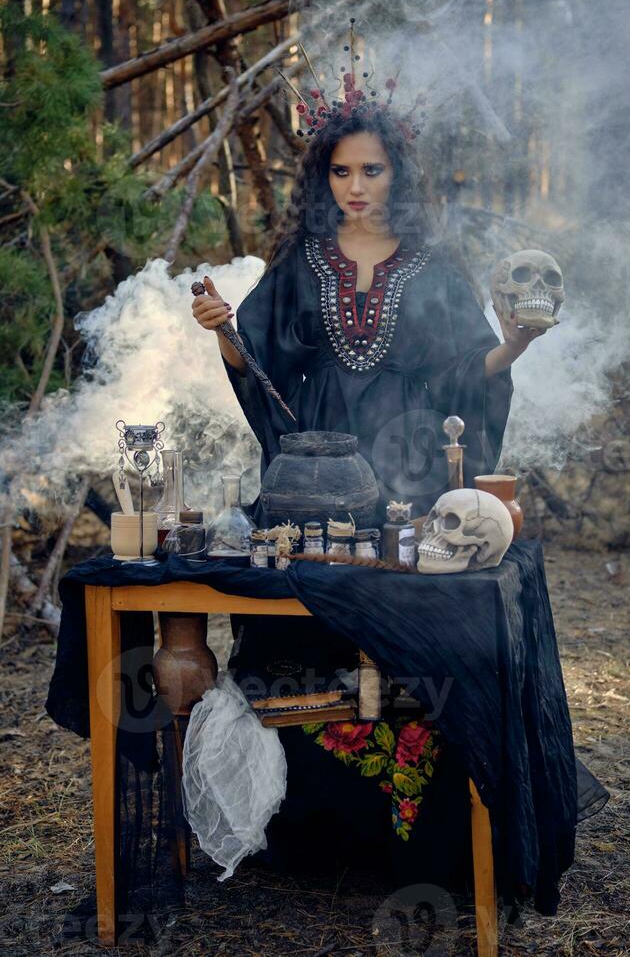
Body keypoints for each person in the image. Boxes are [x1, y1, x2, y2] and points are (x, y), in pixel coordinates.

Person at [191, 104, 550, 885]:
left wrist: (513, 344)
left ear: (400, 174)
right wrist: (223, 327)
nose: (357, 187)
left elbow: (465, 379)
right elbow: (262, 366)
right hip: (313, 479)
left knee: (414, 641)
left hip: (415, 477)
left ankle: (424, 846)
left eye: (373, 170)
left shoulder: (436, 267)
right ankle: (316, 840)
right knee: (308, 636)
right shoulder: (302, 260)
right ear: (325, 176)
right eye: (342, 171)